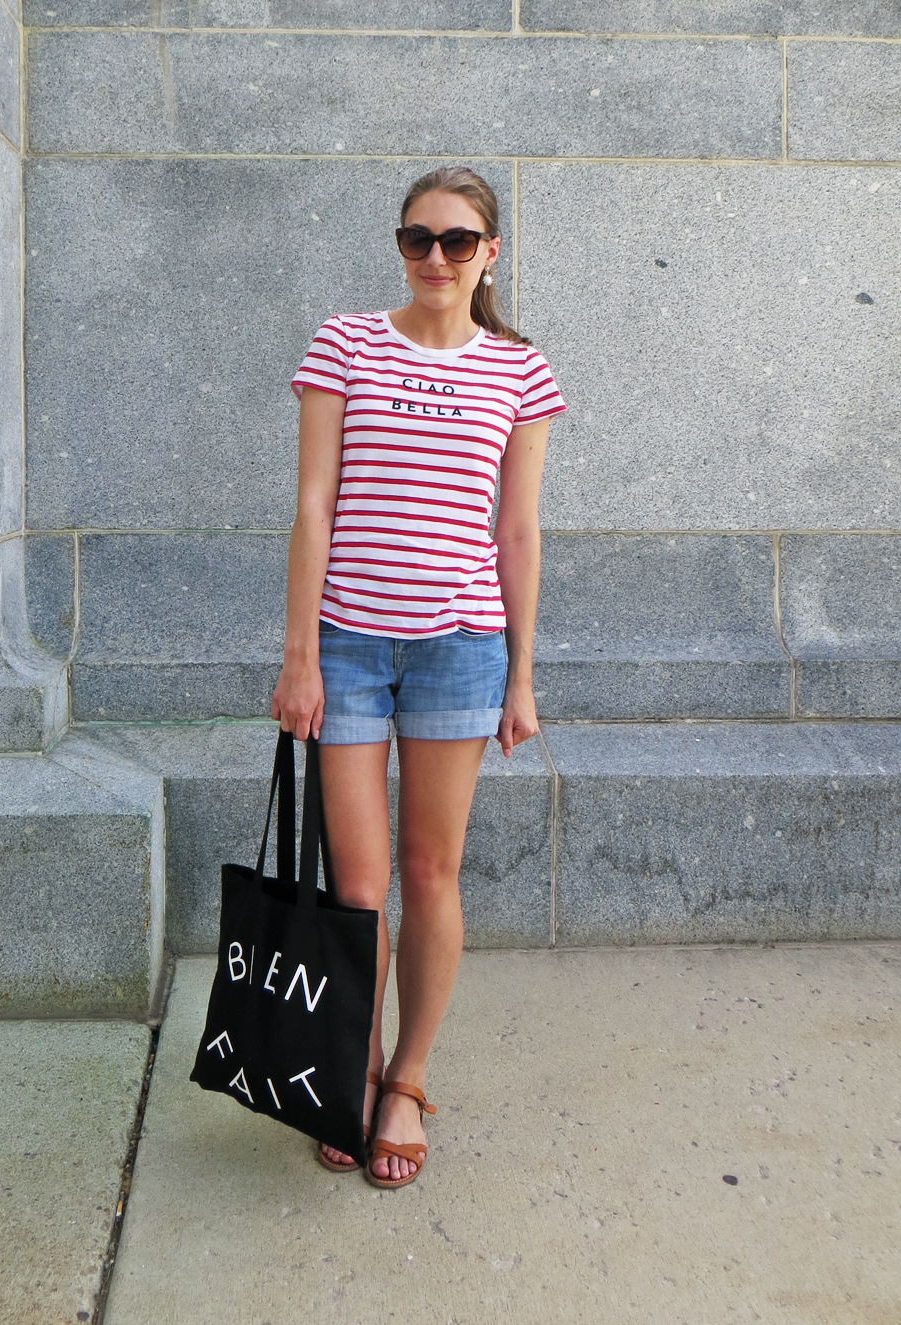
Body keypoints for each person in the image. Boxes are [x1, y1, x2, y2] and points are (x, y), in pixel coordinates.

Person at [271, 166, 566, 1189]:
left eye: (455, 238)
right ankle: (349, 1064)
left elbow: (517, 532)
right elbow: (313, 506)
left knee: (430, 874)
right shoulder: (344, 342)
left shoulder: (519, 371)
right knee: (359, 889)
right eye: (414, 237)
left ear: (490, 252)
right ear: (399, 245)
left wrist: (520, 674)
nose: (432, 256)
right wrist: (299, 654)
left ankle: (406, 1078)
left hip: (459, 647)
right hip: (347, 646)